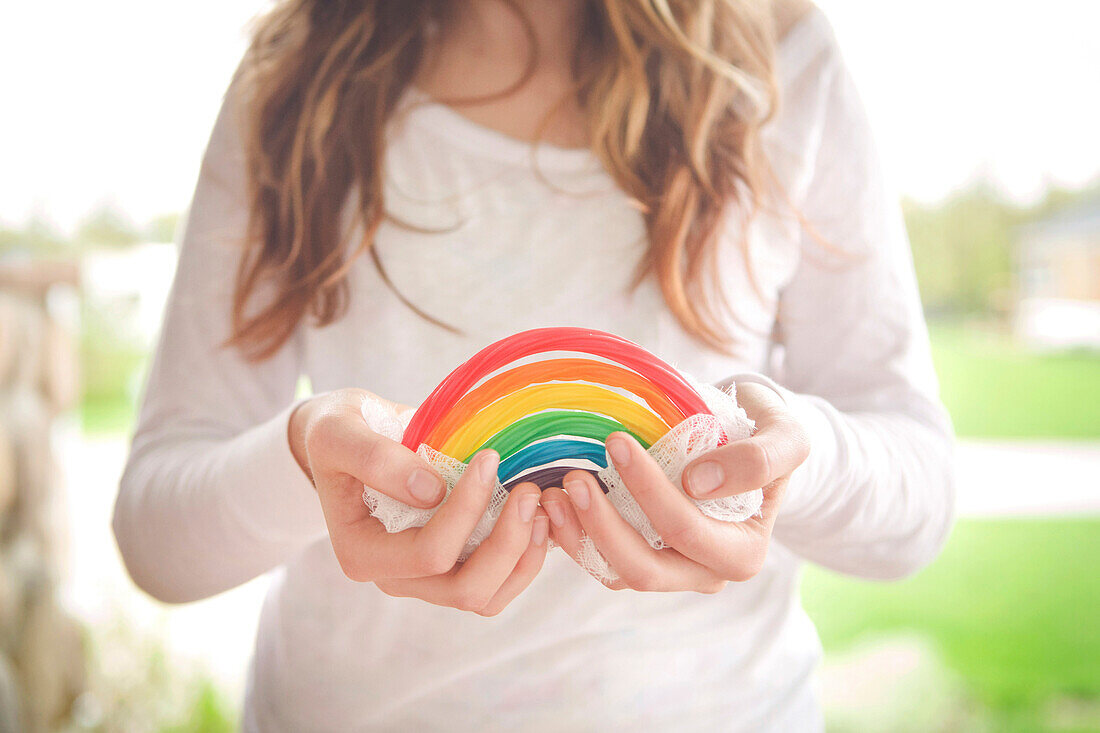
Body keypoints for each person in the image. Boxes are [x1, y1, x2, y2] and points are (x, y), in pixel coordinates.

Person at [112, 1, 956, 730]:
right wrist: (306, 456)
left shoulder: (781, 58)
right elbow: (157, 537)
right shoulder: (294, 78)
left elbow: (918, 500)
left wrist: (785, 458)